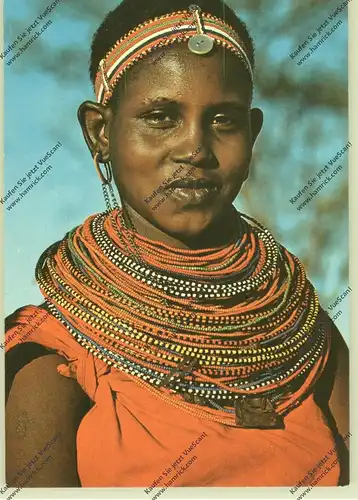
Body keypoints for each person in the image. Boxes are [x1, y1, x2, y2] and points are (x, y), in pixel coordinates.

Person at [4, 0, 349, 488]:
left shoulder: (301, 331)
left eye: (224, 120)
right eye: (161, 116)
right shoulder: (52, 356)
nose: (195, 148)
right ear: (100, 132)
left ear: (253, 134)